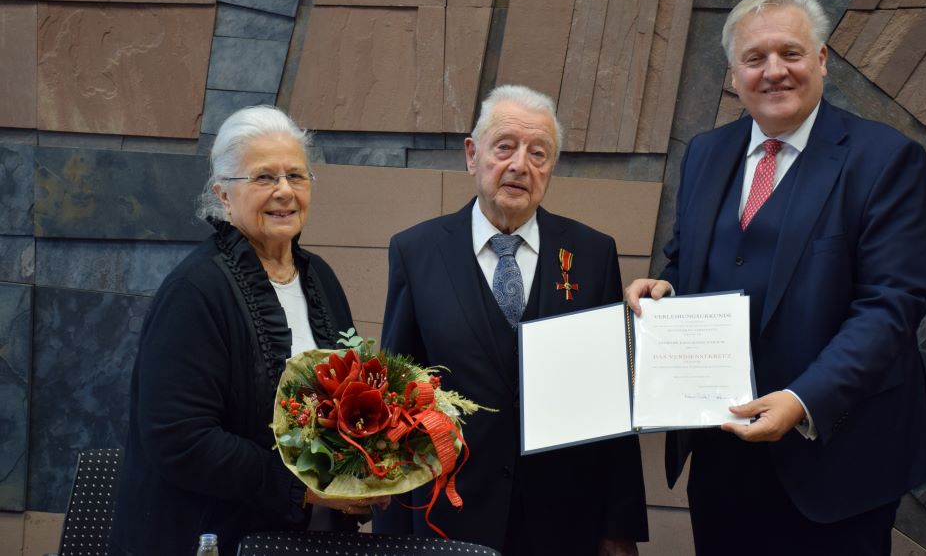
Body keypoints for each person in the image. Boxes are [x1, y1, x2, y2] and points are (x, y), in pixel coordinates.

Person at [626, 0, 926, 555]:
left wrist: (803, 400)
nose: (774, 71)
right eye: (755, 58)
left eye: (791, 53)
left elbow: (893, 305)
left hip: (836, 456)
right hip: (722, 451)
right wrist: (668, 288)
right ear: (733, 73)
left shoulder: (885, 160)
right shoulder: (705, 153)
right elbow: (688, 259)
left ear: (821, 59)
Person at [373, 85, 649, 555]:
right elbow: (394, 400)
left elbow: (611, 403)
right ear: (472, 154)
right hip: (448, 517)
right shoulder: (417, 252)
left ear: (551, 167)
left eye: (538, 152)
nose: (520, 164)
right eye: (505, 147)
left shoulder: (591, 253)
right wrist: (391, 529)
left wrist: (618, 528)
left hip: (563, 520)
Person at [110, 106, 382, 555]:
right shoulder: (195, 290)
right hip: (210, 538)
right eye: (263, 178)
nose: (284, 192)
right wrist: (306, 489)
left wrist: (367, 472)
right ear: (223, 195)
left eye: (296, 176)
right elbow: (179, 438)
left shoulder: (322, 280)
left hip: (310, 539)